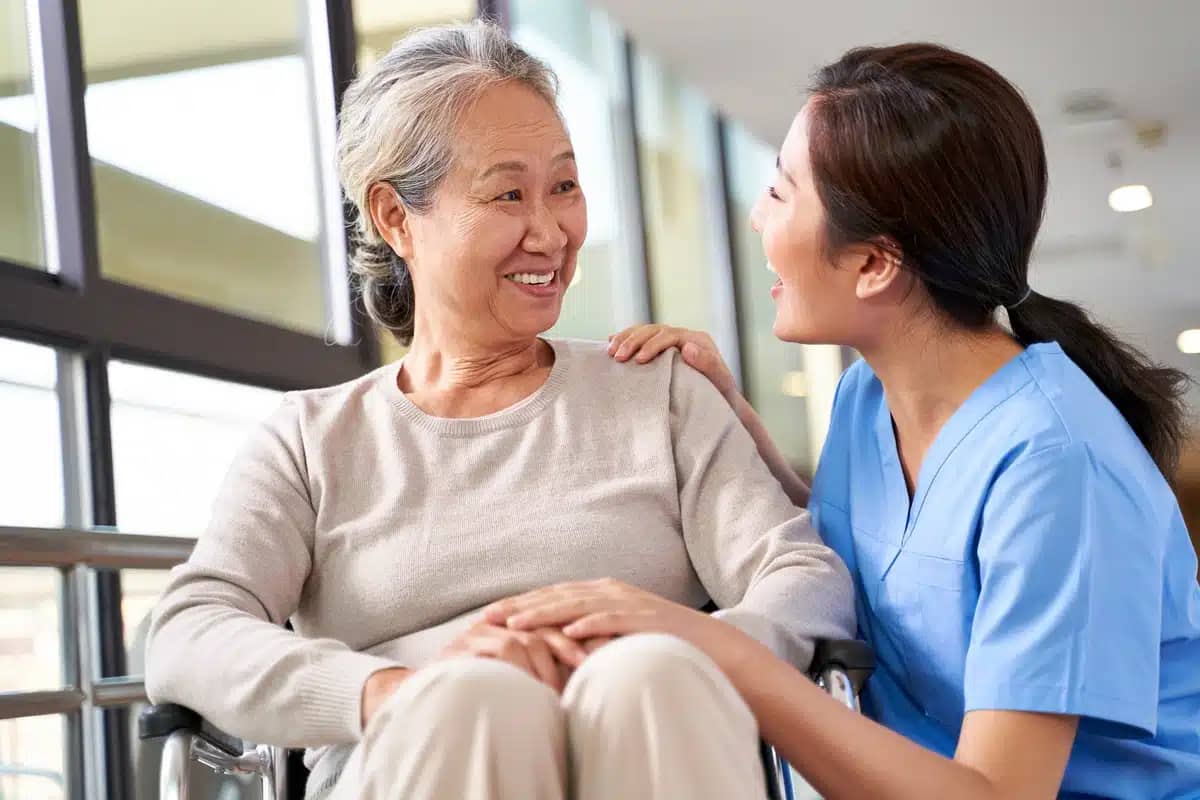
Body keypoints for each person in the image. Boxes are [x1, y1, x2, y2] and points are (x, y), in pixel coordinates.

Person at [144, 21, 854, 800]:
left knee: (649, 673)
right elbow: (190, 629)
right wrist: (389, 689)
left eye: (565, 186)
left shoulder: (659, 391)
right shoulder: (311, 439)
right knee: (477, 700)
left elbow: (802, 574)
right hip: (424, 747)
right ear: (394, 217)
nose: (550, 232)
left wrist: (692, 642)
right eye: (508, 193)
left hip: (652, 737)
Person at [486, 43, 1200, 799]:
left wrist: (716, 647)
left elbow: (996, 792)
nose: (758, 216)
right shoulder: (868, 397)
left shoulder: (1057, 465)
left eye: (781, 193)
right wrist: (727, 418)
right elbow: (882, 546)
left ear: (873, 264)